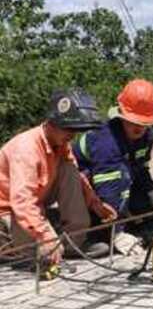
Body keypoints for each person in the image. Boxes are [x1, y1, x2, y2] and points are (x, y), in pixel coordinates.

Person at [0, 88, 116, 268]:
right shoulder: (25, 149)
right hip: (8, 212)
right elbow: (22, 202)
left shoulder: (61, 143)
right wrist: (44, 235)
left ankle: (73, 244)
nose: (72, 135)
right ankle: (26, 248)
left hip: (34, 202)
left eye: (76, 130)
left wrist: (95, 204)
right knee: (41, 254)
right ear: (52, 123)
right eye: (69, 129)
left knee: (69, 169)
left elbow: (75, 176)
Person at [73, 79, 153, 225]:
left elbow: (141, 169)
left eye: (143, 123)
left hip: (112, 182)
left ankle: (126, 218)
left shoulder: (146, 137)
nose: (138, 128)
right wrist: (116, 232)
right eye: (133, 122)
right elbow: (108, 190)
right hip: (82, 184)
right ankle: (103, 228)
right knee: (119, 179)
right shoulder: (106, 141)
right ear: (122, 115)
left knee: (145, 208)